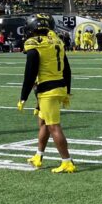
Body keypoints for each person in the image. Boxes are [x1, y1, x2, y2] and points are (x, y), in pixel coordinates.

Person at [18, 14, 76, 173]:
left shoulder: (34, 44)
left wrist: (23, 96)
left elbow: (30, 73)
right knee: (43, 122)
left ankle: (67, 161)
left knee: (54, 126)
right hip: (59, 86)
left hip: (47, 89)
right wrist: (67, 91)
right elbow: (67, 69)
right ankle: (38, 156)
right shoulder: (57, 41)